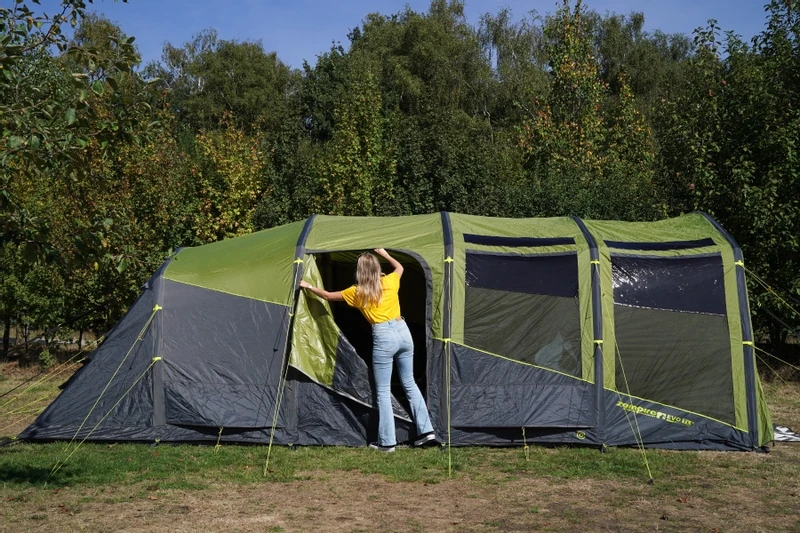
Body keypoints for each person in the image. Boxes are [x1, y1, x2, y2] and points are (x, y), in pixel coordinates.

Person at [299, 248, 436, 453]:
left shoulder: (357, 292)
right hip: (403, 331)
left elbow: (327, 296)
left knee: (383, 390)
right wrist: (384, 254)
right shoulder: (389, 282)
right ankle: (427, 431)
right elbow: (400, 267)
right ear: (378, 268)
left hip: (383, 336)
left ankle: (387, 443)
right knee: (409, 383)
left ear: (359, 272)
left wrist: (308, 285)